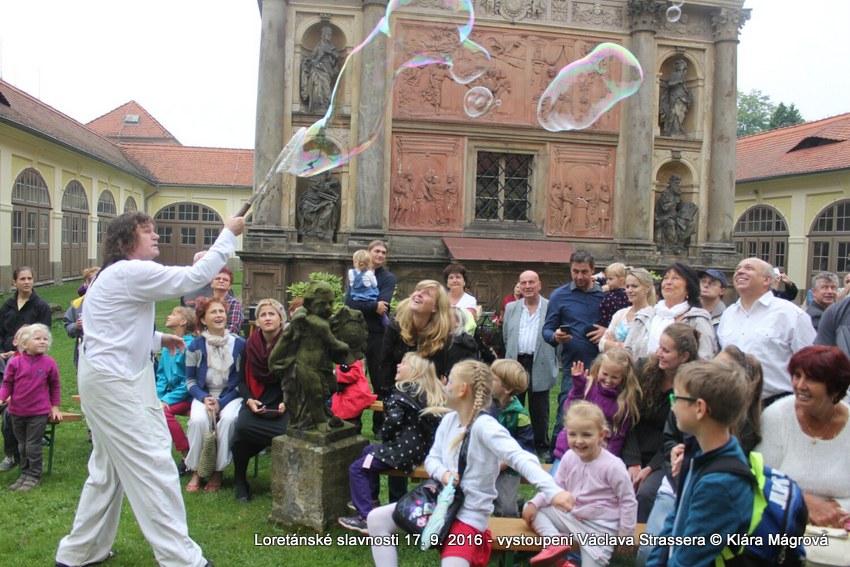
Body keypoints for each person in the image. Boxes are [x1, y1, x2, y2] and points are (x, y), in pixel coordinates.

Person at [56, 210, 242, 567]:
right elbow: (196, 277)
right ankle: (182, 560)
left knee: (107, 472)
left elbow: (110, 327)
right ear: (127, 241)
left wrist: (158, 337)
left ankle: (78, 552)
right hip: (116, 386)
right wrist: (228, 234)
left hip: (109, 381)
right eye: (147, 231)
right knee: (154, 463)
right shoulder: (128, 271)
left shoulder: (113, 276)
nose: (156, 235)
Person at [367, 360, 574, 567]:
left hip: (468, 519)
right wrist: (444, 474)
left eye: (450, 382)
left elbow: (521, 458)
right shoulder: (450, 420)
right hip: (439, 506)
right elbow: (432, 458)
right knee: (377, 519)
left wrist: (553, 492)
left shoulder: (485, 427)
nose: (445, 385)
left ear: (462, 389)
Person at [636, 344, 764, 566]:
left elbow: (689, 558)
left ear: (700, 409)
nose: (673, 407)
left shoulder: (719, 483)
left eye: (678, 399)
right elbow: (671, 527)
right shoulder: (698, 455)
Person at [380, 280, 476, 500]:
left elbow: (440, 372)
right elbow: (384, 365)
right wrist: (388, 399)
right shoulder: (396, 325)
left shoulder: (442, 333)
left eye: (427, 293)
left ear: (435, 307)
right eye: (417, 290)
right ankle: (397, 502)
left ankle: (426, 500)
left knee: (432, 446)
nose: (418, 294)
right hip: (398, 396)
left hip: (429, 400)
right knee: (396, 440)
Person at [338, 352, 446, 533]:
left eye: (403, 363)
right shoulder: (423, 392)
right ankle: (371, 502)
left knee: (357, 468)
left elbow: (393, 421)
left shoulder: (402, 392)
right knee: (368, 451)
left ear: (414, 372)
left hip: (401, 451)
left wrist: (386, 435)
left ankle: (366, 517)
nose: (398, 365)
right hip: (419, 450)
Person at [524, 401, 638, 567]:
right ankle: (555, 543)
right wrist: (534, 503)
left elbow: (628, 501)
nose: (579, 441)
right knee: (537, 511)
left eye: (586, 435)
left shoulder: (613, 465)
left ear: (601, 435)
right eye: (573, 434)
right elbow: (554, 488)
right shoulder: (569, 457)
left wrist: (626, 534)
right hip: (573, 516)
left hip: (600, 528)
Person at [756, 345, 850, 528]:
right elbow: (762, 478)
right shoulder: (777, 415)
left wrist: (837, 509)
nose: (800, 386)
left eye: (812, 379)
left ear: (835, 389)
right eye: (797, 376)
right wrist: (805, 502)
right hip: (783, 525)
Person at [623, 323, 700, 522]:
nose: (659, 353)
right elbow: (628, 417)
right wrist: (633, 462)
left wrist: (650, 468)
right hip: (632, 447)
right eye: (659, 347)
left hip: (664, 456)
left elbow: (679, 436)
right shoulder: (644, 370)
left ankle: (640, 544)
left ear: (684, 356)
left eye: (666, 350)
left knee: (646, 493)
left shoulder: (692, 386)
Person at [718, 257, 815, 406]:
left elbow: (810, 363)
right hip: (734, 404)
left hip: (777, 403)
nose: (740, 272)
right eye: (738, 269)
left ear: (767, 280)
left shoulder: (790, 314)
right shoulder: (728, 314)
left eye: (749, 268)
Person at [543, 250, 605, 453]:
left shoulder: (604, 296)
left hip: (602, 365)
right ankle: (557, 455)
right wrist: (555, 336)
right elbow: (547, 330)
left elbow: (620, 324)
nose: (579, 276)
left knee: (601, 411)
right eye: (575, 271)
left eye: (584, 272)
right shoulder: (560, 296)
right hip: (573, 364)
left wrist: (607, 331)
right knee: (566, 412)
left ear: (593, 270)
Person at [184, 297, 245, 493]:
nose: (219, 315)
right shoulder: (195, 346)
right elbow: (190, 381)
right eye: (213, 312)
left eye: (221, 311)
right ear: (203, 320)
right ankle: (197, 470)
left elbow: (241, 381)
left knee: (228, 420)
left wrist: (222, 402)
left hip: (231, 395)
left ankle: (218, 470)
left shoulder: (239, 344)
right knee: (198, 421)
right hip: (204, 394)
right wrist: (204, 398)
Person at [232, 298, 289, 503]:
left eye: (271, 314)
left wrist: (287, 400)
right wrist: (249, 400)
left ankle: (288, 483)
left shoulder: (291, 344)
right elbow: (240, 381)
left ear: (281, 319)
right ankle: (240, 482)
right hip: (257, 401)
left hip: (284, 403)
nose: (267, 318)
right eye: (263, 315)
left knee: (288, 434)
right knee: (241, 430)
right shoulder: (249, 345)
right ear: (257, 321)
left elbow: (297, 379)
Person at [551, 348, 641, 475]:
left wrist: (608, 461)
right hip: (567, 450)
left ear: (624, 378)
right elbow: (568, 410)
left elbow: (618, 437)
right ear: (598, 369)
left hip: (595, 457)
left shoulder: (623, 404)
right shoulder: (587, 386)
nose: (608, 380)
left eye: (614, 377)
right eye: (605, 374)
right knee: (554, 487)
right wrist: (578, 388)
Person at [0, 266, 53, 473]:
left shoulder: (40, 306)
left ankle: (14, 454)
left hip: (30, 365)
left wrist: (23, 353)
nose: (27, 282)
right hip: (6, 362)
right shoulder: (7, 306)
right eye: (22, 278)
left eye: (30, 278)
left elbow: (44, 338)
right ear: (15, 282)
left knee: (9, 413)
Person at [503, 270, 559, 460]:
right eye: (523, 283)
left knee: (539, 407)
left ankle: (541, 444)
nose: (527, 286)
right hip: (517, 362)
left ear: (539, 285)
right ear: (519, 286)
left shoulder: (550, 307)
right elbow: (506, 336)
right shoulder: (511, 308)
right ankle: (513, 443)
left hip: (540, 360)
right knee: (513, 404)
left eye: (531, 282)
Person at [344, 240, 397, 437]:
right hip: (355, 332)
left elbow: (384, 304)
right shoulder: (355, 273)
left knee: (380, 380)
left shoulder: (388, 278)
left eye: (384, 252)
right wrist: (372, 306)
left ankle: (379, 427)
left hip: (377, 335)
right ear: (368, 253)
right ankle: (351, 424)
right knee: (352, 379)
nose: (380, 255)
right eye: (377, 251)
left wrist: (372, 305)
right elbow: (349, 302)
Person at [0, 323, 60, 492]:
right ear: (24, 344)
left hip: (37, 413)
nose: (43, 341)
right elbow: (7, 384)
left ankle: (34, 476)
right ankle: (24, 474)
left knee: (32, 445)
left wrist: (54, 407)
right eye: (38, 338)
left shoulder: (49, 363)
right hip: (17, 412)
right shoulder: (15, 363)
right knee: (22, 445)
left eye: (45, 339)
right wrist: (1, 398)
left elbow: (55, 386)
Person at [626, 263, 716, 361]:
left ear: (688, 287)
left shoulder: (698, 319)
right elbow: (627, 352)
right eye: (666, 278)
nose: (668, 282)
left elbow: (705, 358)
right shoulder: (645, 316)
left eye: (675, 278)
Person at [489, 359, 535, 517]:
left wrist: (505, 462)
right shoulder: (484, 406)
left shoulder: (520, 415)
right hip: (484, 463)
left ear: (507, 388)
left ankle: (516, 505)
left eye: (493, 379)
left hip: (508, 467)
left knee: (506, 510)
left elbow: (525, 447)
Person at [156, 306, 196, 474]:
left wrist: (167, 400)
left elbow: (189, 381)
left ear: (183, 321)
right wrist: (157, 398)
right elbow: (162, 377)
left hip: (187, 396)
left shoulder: (190, 345)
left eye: (173, 314)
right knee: (153, 409)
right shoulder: (168, 346)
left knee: (163, 412)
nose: (168, 316)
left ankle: (187, 453)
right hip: (172, 396)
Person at [600, 267, 656, 352]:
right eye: (627, 286)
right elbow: (602, 344)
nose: (629, 290)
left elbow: (643, 349)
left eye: (634, 286)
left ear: (647, 288)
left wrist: (614, 344)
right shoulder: (620, 314)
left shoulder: (653, 317)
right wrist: (625, 346)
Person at [63, 266, 100, 369]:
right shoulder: (77, 304)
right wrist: (76, 326)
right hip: (84, 355)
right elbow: (67, 325)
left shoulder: (113, 302)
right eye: (90, 280)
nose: (94, 283)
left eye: (98, 279)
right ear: (86, 283)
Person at [299, 25, 341, 114]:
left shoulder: (332, 46)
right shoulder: (319, 45)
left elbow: (337, 56)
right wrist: (308, 60)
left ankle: (325, 104)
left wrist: (330, 53)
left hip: (327, 69)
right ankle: (317, 104)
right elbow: (313, 56)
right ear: (323, 34)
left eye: (330, 34)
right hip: (317, 68)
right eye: (327, 34)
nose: (329, 36)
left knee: (326, 87)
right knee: (317, 85)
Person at [659, 59, 692, 137]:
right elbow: (669, 83)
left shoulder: (683, 75)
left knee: (681, 115)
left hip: (682, 98)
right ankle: (672, 130)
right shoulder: (675, 75)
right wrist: (678, 82)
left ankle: (678, 130)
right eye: (680, 65)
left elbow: (684, 87)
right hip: (675, 97)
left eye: (683, 65)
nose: (681, 67)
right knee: (674, 113)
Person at [210, 267, 243, 335]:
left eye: (225, 280)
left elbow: (233, 328)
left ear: (230, 286)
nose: (221, 281)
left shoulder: (234, 303)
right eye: (218, 278)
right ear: (211, 283)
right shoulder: (206, 303)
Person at [598, 263, 630, 329]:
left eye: (610, 279)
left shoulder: (610, 297)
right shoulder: (630, 294)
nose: (607, 282)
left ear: (622, 280)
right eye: (607, 279)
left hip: (608, 326)